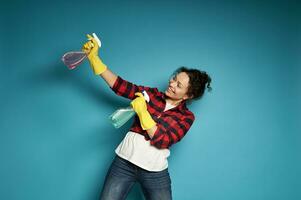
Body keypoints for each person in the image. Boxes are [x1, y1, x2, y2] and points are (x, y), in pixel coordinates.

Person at [82, 34, 212, 200]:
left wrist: (143, 111)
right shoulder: (151, 94)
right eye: (174, 79)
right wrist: (95, 59)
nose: (171, 84)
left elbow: (162, 140)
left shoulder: (186, 117)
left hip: (154, 173)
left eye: (178, 85)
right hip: (123, 164)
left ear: (188, 95)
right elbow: (121, 86)